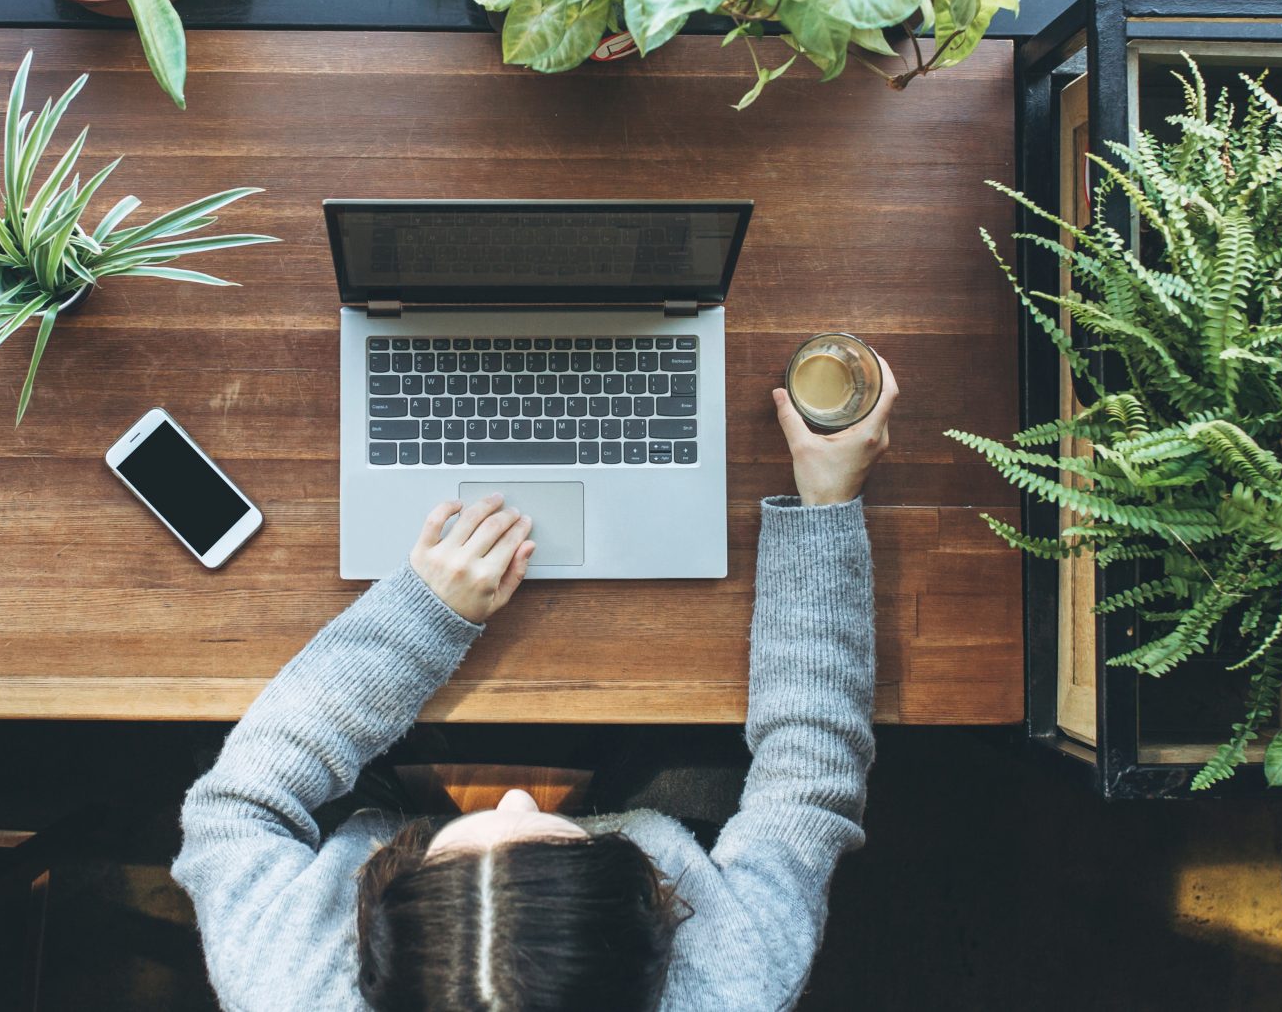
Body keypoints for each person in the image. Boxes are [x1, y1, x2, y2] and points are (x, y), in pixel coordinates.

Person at [174, 362, 899, 1012]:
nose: (515, 795)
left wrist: (421, 617)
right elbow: (809, 771)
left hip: (381, 815)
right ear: (649, 942)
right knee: (698, 745)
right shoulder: (734, 983)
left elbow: (236, 806)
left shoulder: (286, 985)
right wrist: (826, 507)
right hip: (648, 828)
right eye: (555, 835)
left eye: (464, 837)